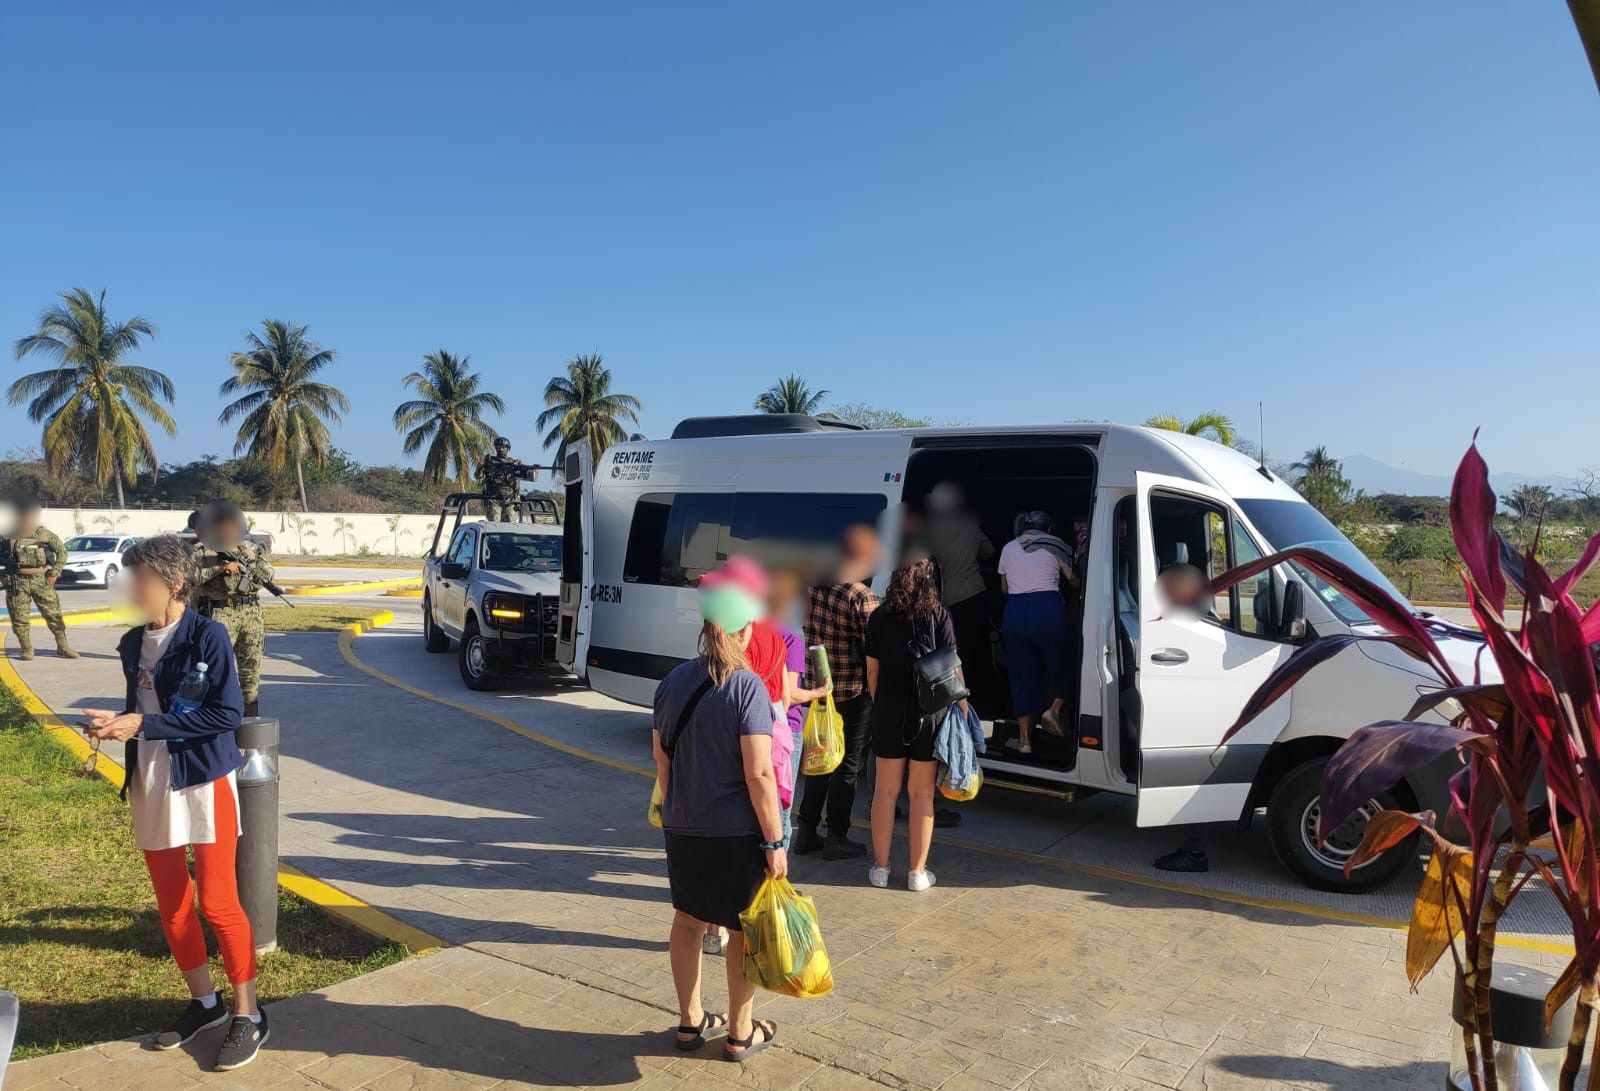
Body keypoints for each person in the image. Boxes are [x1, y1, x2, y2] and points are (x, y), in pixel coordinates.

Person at [79, 536, 268, 1071]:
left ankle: (248, 1013)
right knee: (173, 904)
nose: (130, 588)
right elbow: (142, 707)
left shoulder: (208, 637)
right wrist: (115, 724)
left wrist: (145, 724)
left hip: (204, 781)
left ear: (174, 582)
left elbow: (225, 715)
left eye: (140, 579)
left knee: (217, 902)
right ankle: (203, 1002)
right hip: (152, 781)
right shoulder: (131, 643)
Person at [652, 558, 786, 1062]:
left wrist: (681, 804)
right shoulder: (747, 686)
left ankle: (689, 1024)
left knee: (687, 922)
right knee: (740, 933)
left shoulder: (672, 682)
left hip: (682, 826)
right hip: (735, 833)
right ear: (745, 626)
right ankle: (740, 1031)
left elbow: (661, 756)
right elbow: (759, 774)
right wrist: (774, 841)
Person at [865, 552, 962, 892]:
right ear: (929, 580)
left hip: (889, 710)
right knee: (922, 794)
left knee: (884, 792)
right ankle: (917, 873)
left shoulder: (878, 618)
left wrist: (883, 706)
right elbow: (953, 668)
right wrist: (962, 710)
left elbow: (872, 673)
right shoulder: (939, 615)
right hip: (929, 713)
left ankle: (880, 868)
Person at [795, 523, 881, 859]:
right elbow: (874, 649)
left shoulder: (812, 587)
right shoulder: (861, 596)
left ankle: (806, 831)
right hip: (853, 691)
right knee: (847, 765)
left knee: (818, 760)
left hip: (818, 690)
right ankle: (836, 836)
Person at [1152, 563, 1219, 873]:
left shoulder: (1186, 624)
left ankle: (1194, 853)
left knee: (1197, 777)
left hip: (1197, 715)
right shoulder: (1208, 617)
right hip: (1206, 711)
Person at [997, 511, 1079, 755]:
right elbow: (1074, 580)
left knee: (1021, 675)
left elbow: (1004, 588)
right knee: (1062, 663)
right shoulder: (1056, 546)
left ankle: (1024, 741)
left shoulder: (1009, 548)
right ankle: (1053, 708)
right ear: (1049, 529)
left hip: (1015, 612)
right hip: (1047, 609)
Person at [766, 567, 831, 847]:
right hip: (783, 728)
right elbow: (788, 694)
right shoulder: (791, 635)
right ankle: (777, 885)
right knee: (781, 809)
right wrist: (819, 690)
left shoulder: (754, 627)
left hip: (752, 723)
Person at [924, 482, 998, 714]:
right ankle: (974, 703)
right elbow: (990, 552)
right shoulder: (970, 524)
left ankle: (948, 702)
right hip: (972, 595)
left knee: (945, 653)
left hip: (942, 601)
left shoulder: (928, 529)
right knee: (972, 651)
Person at [194, 502, 273, 718]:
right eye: (225, 526)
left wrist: (251, 572)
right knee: (215, 670)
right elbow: (188, 578)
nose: (229, 530)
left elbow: (267, 574)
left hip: (250, 613)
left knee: (251, 673)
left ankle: (250, 721)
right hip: (219, 613)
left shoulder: (248, 550)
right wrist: (219, 569)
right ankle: (215, 719)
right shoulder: (200, 552)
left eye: (233, 525)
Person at [1, 497, 76, 660]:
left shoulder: (43, 534)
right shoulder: (7, 537)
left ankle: (63, 646)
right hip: (17, 581)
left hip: (42, 580)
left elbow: (62, 552)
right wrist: (2, 577)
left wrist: (55, 572)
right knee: (19, 618)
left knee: (54, 614)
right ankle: (27, 649)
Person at [476, 437, 532, 522]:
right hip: (493, 498)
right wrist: (479, 468)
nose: (501, 449)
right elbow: (478, 476)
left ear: (508, 448)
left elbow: (526, 474)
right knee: (494, 524)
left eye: (503, 447)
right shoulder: (490, 461)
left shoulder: (514, 463)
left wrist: (530, 470)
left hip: (510, 499)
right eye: (498, 447)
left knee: (510, 525)